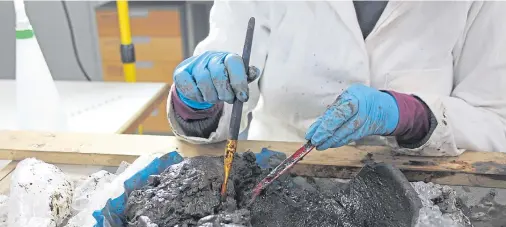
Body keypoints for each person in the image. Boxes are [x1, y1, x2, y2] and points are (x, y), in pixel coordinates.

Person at [167, 1, 506, 156]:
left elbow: (496, 122)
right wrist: (196, 104)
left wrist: (413, 117)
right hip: (279, 183)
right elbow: (220, 103)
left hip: (422, 193)